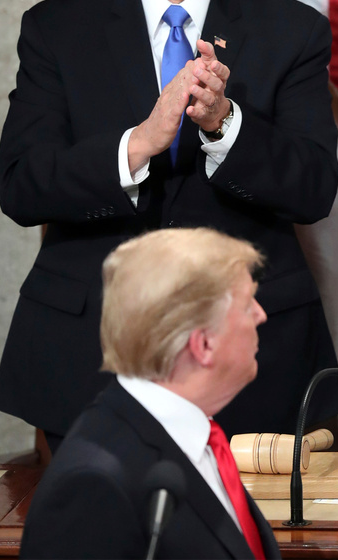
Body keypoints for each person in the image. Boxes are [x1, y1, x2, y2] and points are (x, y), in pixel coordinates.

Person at [0, 0, 338, 452]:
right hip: (89, 354)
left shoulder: (294, 30)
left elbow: (314, 190)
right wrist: (138, 144)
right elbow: (22, 187)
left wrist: (225, 124)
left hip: (253, 358)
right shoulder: (56, 29)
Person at [21, 228, 281, 559]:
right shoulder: (92, 485)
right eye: (247, 305)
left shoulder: (198, 437)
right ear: (203, 344)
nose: (262, 315)